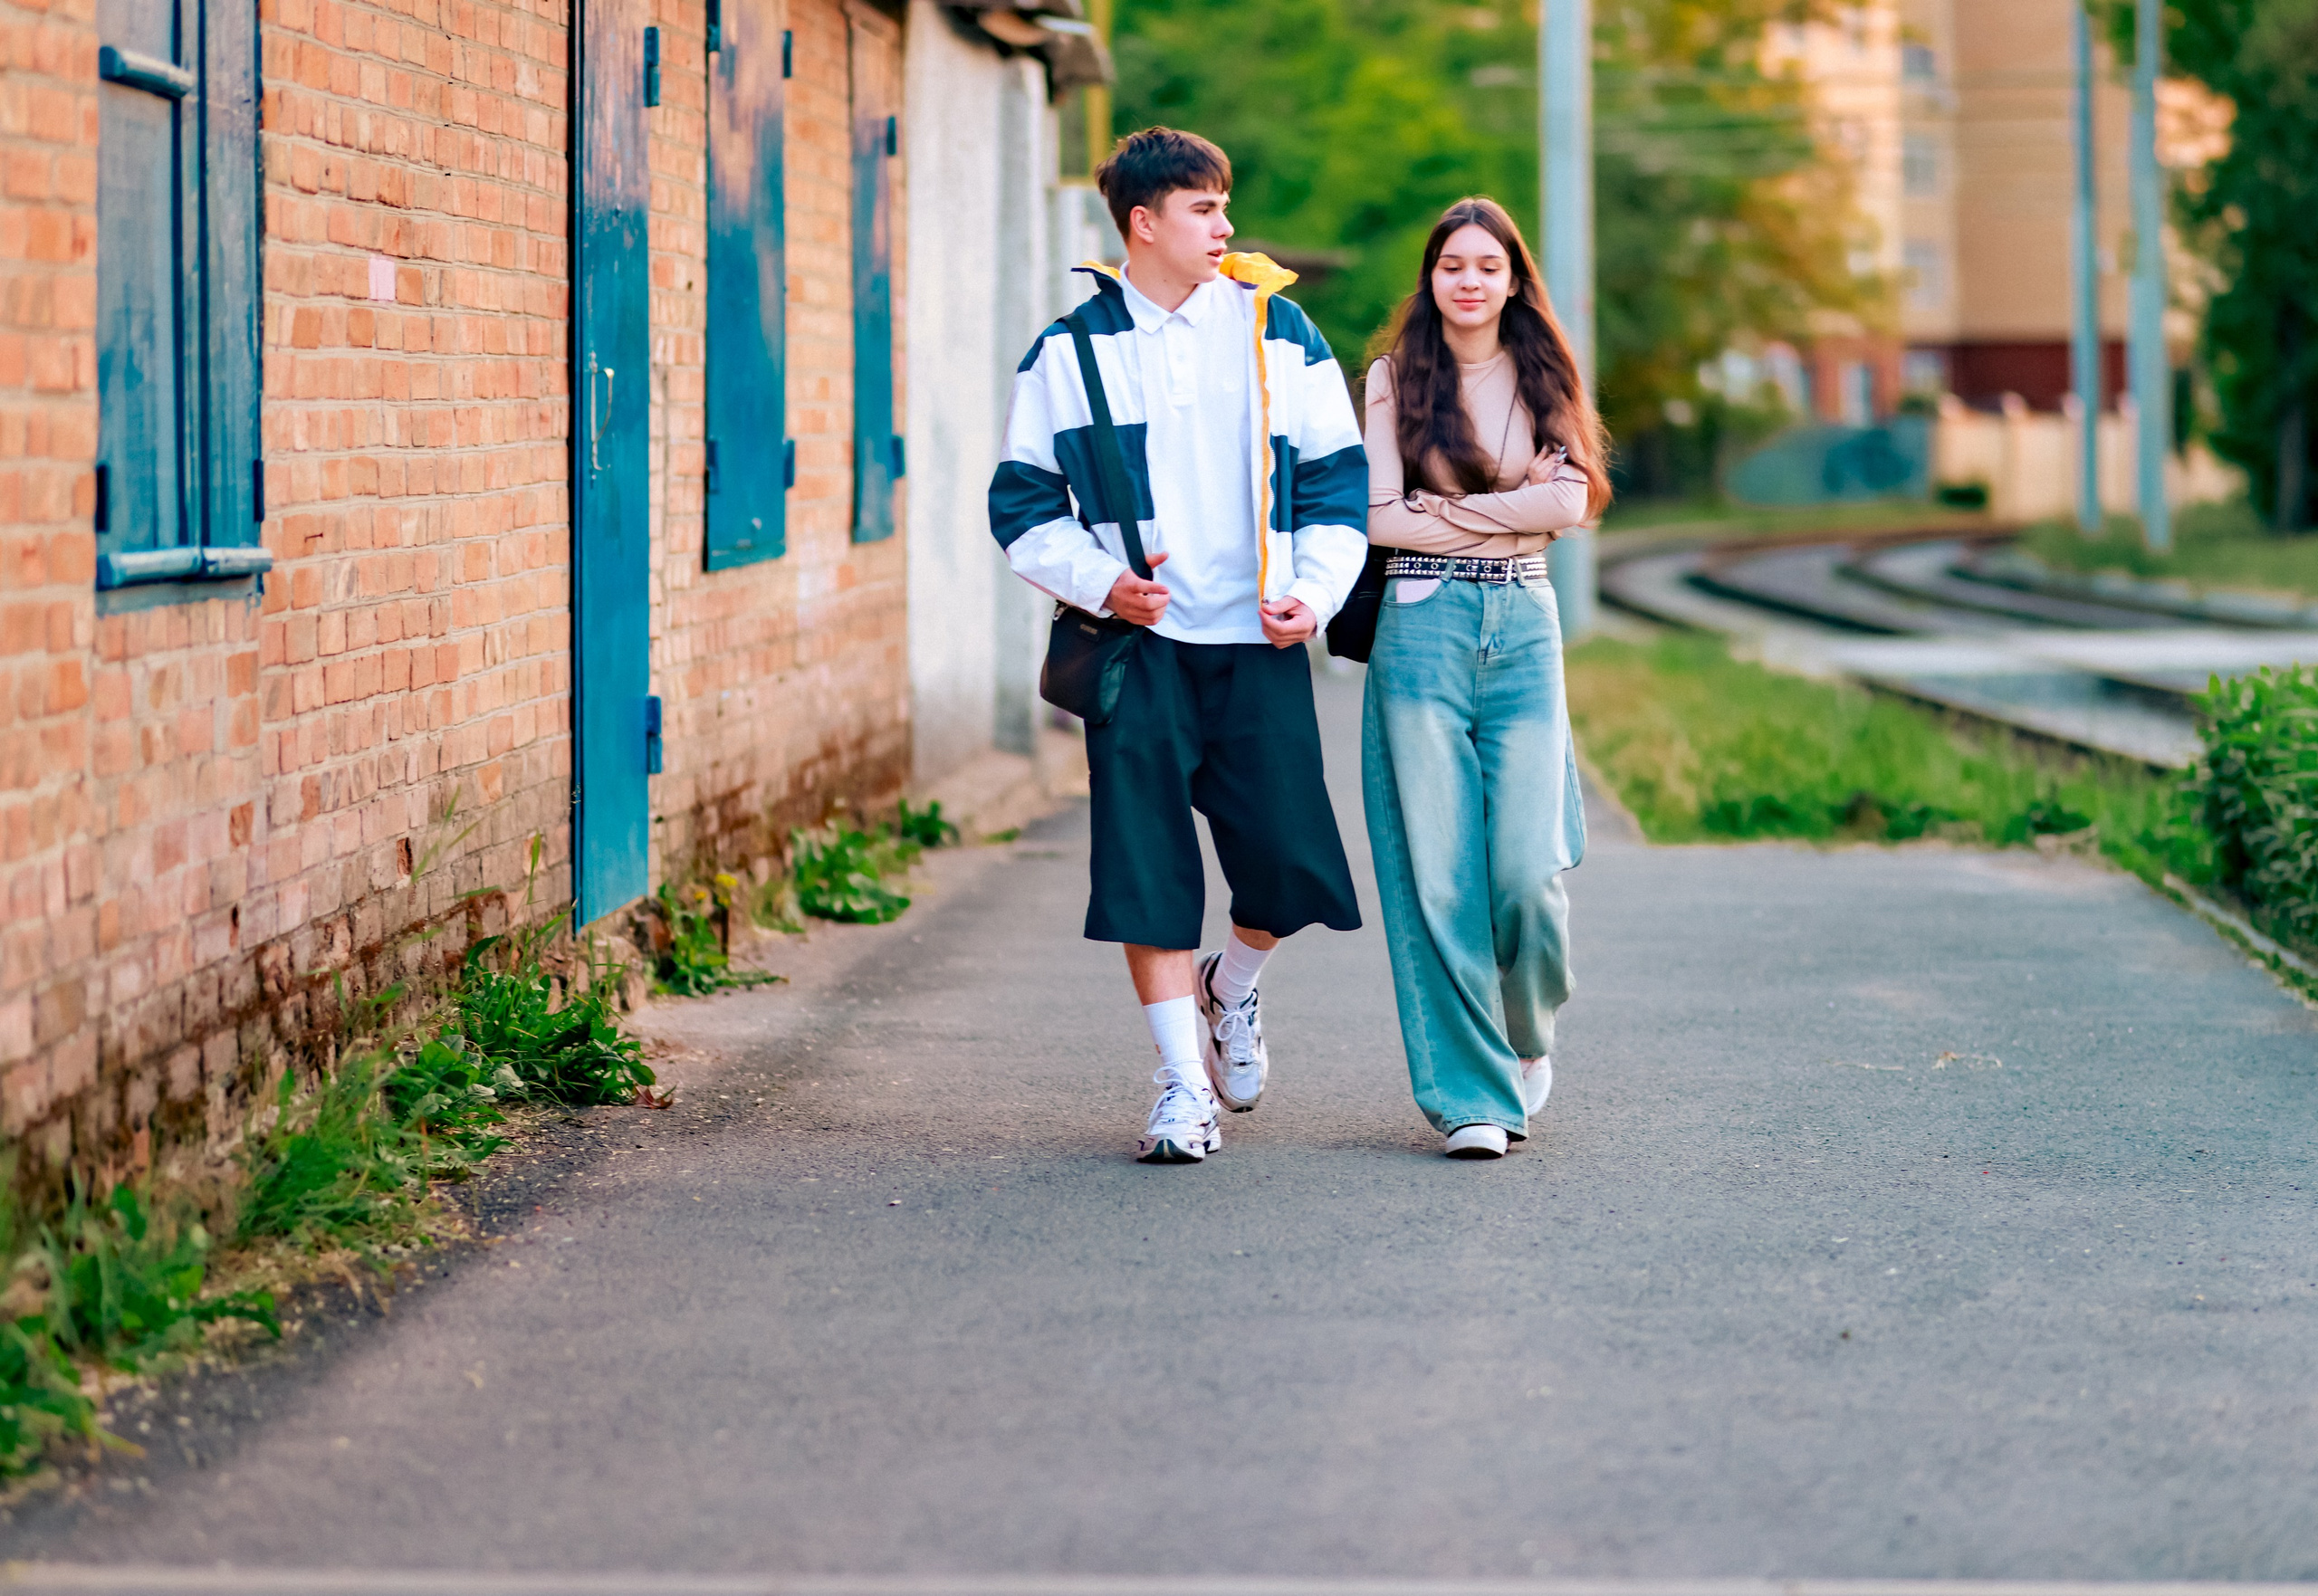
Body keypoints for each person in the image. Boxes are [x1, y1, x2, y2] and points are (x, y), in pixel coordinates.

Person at [987, 128, 1369, 1163]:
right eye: (1204, 208)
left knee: (1289, 864)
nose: (1225, 225)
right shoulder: (1070, 352)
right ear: (1143, 223)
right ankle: (1180, 1084)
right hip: (1138, 647)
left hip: (1256, 639)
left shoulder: (1278, 329)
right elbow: (1021, 504)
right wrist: (1099, 580)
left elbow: (1338, 484)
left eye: (1224, 205)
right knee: (1146, 868)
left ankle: (1228, 987)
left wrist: (1314, 593)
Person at [1361, 196, 1613, 1160]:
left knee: (1525, 874)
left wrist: (1448, 510)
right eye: (1451, 265)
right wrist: (1515, 507)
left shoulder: (1545, 371)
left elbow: (1572, 500)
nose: (1468, 281)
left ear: (1513, 281)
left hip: (1524, 628)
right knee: (1441, 876)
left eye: (1487, 266)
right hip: (1421, 627)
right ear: (1431, 278)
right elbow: (1379, 519)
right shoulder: (1394, 379)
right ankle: (1471, 1097)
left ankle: (1528, 1029)